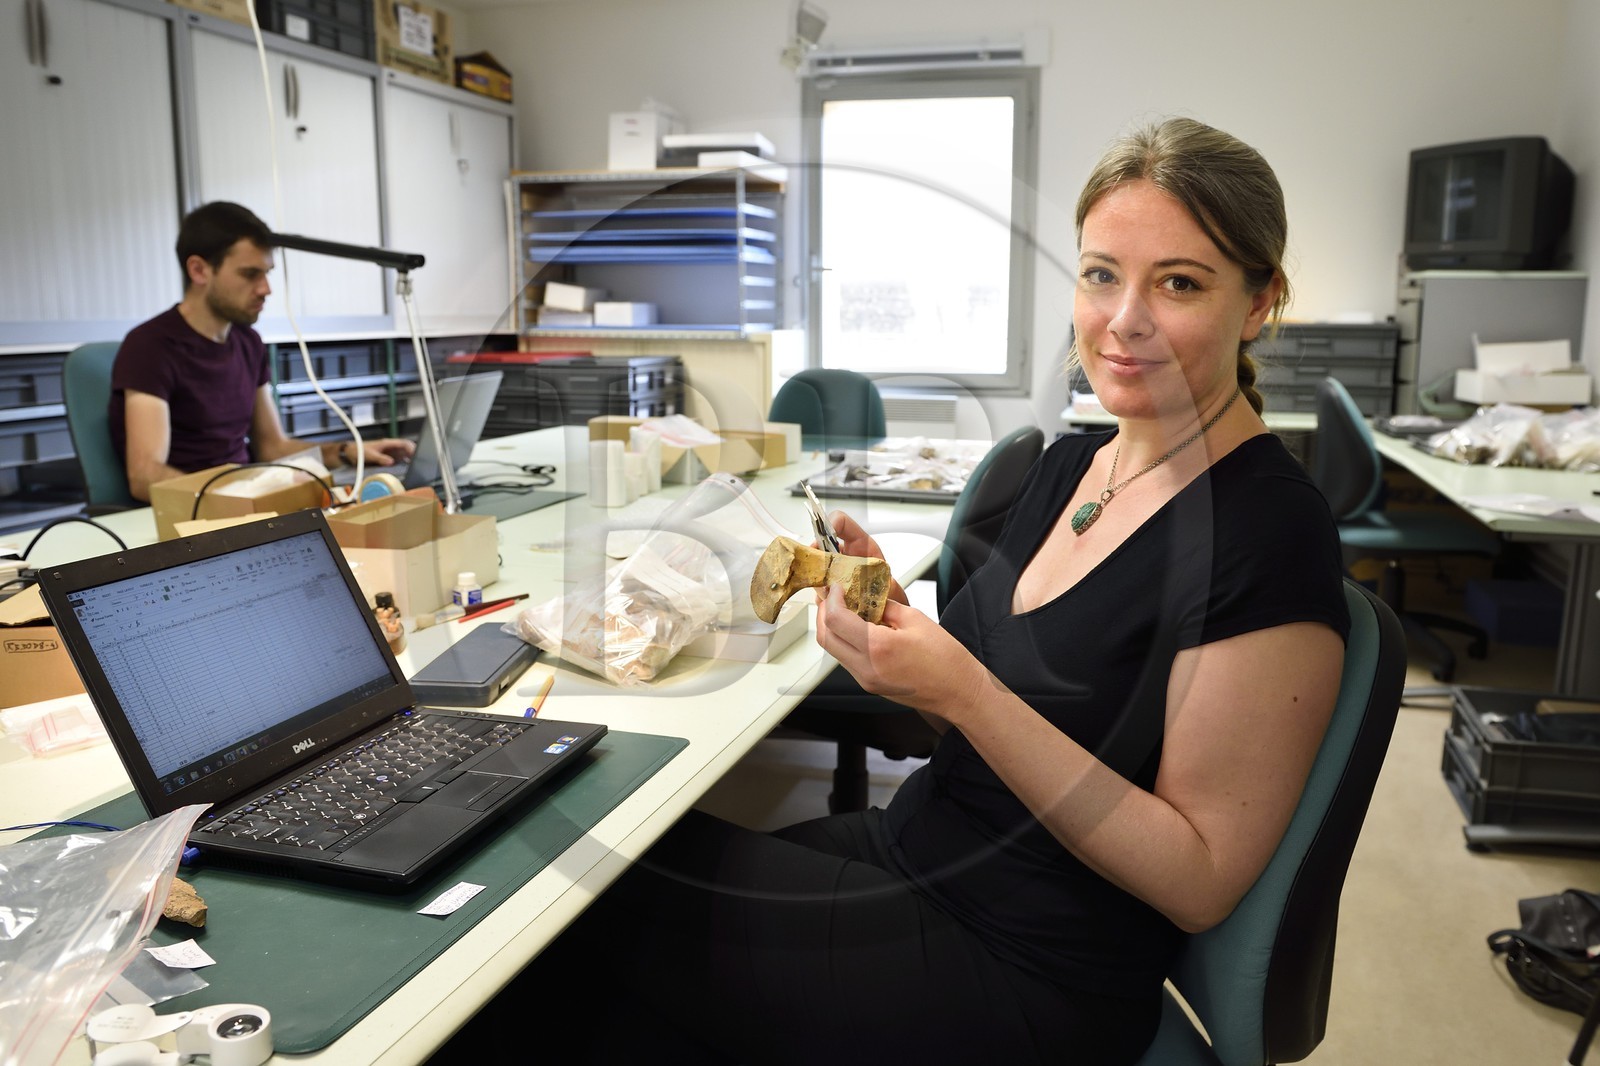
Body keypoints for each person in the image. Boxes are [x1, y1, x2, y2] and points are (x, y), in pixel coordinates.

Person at [441, 117, 1351, 1065]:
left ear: (1259, 302)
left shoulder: (1267, 529)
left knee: (555, 915)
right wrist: (898, 635)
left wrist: (965, 691)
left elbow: (1201, 876)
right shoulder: (1076, 466)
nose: (1124, 319)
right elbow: (1004, 705)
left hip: (1029, 963)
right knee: (585, 864)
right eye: (1099, 273)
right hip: (917, 850)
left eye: (1180, 282)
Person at [110, 201, 414, 501]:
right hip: (191, 514)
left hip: (244, 500)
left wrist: (350, 453)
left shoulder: (249, 343)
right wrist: (242, 497)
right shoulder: (150, 347)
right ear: (199, 270)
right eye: (249, 274)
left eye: (267, 273)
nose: (265, 288)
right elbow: (145, 475)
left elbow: (272, 448)